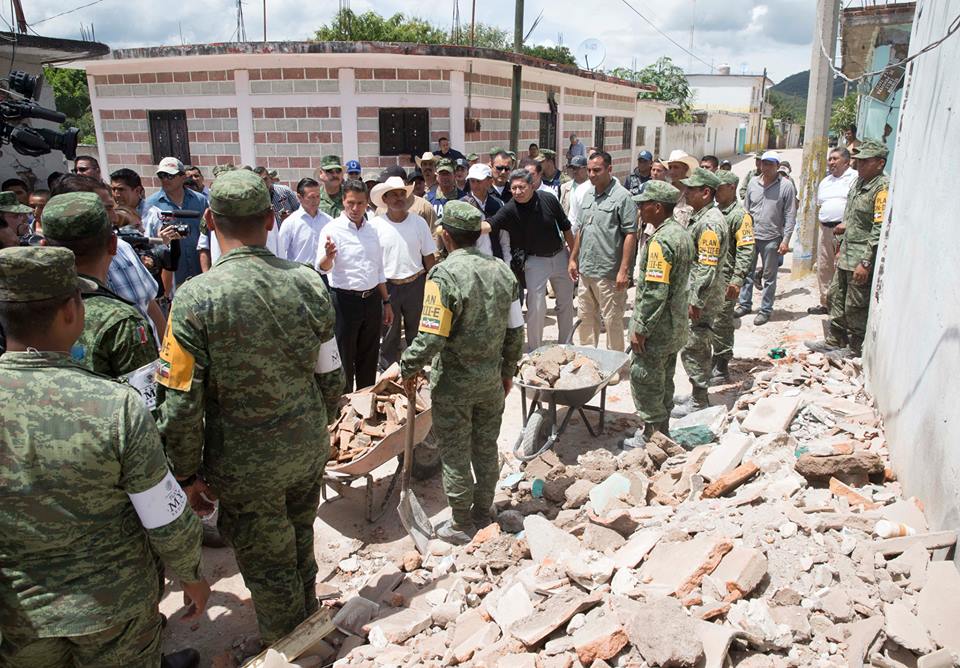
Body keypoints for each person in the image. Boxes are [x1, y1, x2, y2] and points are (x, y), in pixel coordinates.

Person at [157, 169, 344, 647]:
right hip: (304, 447)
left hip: (242, 462)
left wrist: (184, 474)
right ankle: (307, 625)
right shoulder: (307, 282)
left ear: (210, 221)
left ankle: (294, 648)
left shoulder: (195, 297)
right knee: (300, 541)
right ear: (269, 218)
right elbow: (331, 375)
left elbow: (179, 403)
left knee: (267, 561)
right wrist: (316, 426)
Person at [0, 246, 206, 668]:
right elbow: (162, 513)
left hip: (18, 615)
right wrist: (191, 573)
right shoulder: (115, 405)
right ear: (71, 312)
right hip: (114, 609)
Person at [400, 200, 524, 543]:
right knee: (485, 447)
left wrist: (407, 366)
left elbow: (431, 336)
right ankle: (484, 512)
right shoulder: (502, 271)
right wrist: (508, 370)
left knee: (454, 452)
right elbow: (516, 330)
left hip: (454, 383)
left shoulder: (443, 275)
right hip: (490, 381)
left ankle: (460, 523)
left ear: (446, 237)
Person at [39, 192, 157, 377]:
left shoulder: (23, 306)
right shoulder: (120, 322)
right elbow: (146, 400)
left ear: (45, 246)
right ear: (113, 245)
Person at [52, 174, 167, 340]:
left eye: (112, 207)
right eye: (105, 209)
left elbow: (151, 306)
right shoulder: (54, 269)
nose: (114, 217)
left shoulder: (123, 249)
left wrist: (166, 356)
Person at [623, 182, 695, 444]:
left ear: (657, 207)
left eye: (643, 204)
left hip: (657, 328)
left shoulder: (660, 241)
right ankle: (662, 432)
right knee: (665, 378)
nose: (640, 209)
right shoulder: (681, 234)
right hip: (675, 326)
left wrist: (640, 328)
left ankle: (652, 435)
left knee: (646, 379)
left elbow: (654, 291)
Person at [807, 139, 889, 357]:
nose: (859, 165)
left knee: (855, 305)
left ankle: (854, 349)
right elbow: (852, 218)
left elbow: (879, 229)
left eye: (865, 162)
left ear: (880, 163)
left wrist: (866, 262)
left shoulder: (881, 189)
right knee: (835, 296)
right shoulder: (859, 184)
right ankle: (834, 340)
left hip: (861, 257)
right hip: (847, 252)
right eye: (858, 161)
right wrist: (841, 245)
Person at [318, 180, 394, 391]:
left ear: (366, 203)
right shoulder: (331, 229)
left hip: (371, 301)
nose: (355, 208)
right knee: (344, 357)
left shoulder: (372, 230)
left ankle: (365, 404)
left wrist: (386, 301)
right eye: (351, 203)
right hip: (344, 301)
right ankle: (344, 409)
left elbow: (378, 270)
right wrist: (328, 256)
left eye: (360, 203)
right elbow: (323, 268)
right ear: (343, 200)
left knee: (369, 358)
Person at [491, 169, 575, 350]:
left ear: (532, 186)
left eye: (521, 187)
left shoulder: (548, 199)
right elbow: (490, 224)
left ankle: (566, 346)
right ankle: (535, 350)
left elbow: (566, 228)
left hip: (560, 256)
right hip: (535, 261)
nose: (517, 192)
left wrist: (573, 258)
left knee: (566, 303)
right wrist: (465, 226)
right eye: (513, 188)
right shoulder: (510, 209)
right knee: (536, 306)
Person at [568, 151, 637, 367]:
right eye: (589, 170)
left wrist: (624, 270)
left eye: (596, 170)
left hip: (609, 272)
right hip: (587, 270)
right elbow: (580, 230)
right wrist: (573, 259)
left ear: (609, 169)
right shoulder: (587, 195)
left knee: (612, 320)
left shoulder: (622, 197)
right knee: (586, 318)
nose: (591, 174)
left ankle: (613, 365)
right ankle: (588, 362)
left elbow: (630, 234)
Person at [672, 168, 730, 416]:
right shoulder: (703, 216)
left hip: (702, 297)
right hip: (698, 294)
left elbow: (706, 266)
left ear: (706, 192)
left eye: (691, 189)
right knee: (695, 344)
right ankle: (698, 393)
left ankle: (699, 401)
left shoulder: (710, 223)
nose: (686, 192)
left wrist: (695, 299)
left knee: (695, 346)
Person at [370, 177, 437, 368]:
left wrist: (432, 287)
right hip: (388, 287)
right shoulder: (375, 226)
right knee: (389, 334)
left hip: (416, 284)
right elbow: (373, 261)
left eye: (402, 194)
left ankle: (417, 372)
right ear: (385, 199)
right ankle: (389, 373)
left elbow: (429, 257)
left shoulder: (419, 223)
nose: (399, 198)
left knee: (416, 332)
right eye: (394, 195)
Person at [734, 150, 798, 325]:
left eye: (771, 164)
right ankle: (745, 304)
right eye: (764, 163)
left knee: (769, 276)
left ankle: (765, 309)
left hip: (772, 238)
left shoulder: (786, 186)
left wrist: (785, 240)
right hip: (751, 236)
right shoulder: (753, 183)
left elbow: (790, 215)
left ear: (778, 167)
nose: (767, 167)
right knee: (746, 272)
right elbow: (746, 210)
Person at [710, 170, 755, 384]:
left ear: (732, 187)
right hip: (712, 278)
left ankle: (721, 367)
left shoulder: (740, 216)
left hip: (727, 280)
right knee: (710, 324)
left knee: (722, 324)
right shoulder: (716, 212)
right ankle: (713, 361)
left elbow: (746, 250)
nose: (716, 192)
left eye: (720, 187)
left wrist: (738, 278)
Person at [809, 147, 857, 315]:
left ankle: (842, 307)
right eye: (830, 159)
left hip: (844, 231)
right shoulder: (826, 181)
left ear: (846, 161)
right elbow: (820, 204)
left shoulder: (854, 179)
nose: (831, 162)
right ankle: (826, 303)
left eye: (835, 159)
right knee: (824, 266)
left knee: (842, 268)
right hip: (825, 228)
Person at [145, 157, 207, 284]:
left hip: (199, 273)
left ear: (183, 176)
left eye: (170, 176)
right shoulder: (151, 205)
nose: (165, 179)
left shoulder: (200, 201)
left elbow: (208, 234)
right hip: (171, 279)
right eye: (161, 176)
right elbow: (147, 243)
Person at [277, 177, 332, 265]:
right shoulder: (290, 223)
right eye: (311, 197)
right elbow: (280, 252)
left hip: (324, 274)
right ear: (299, 197)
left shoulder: (328, 221)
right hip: (300, 275)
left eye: (318, 196)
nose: (315, 201)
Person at [461, 163, 509, 260]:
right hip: (471, 262)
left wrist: (507, 262)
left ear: (489, 181)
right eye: (472, 181)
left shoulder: (499, 205)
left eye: (479, 181)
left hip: (495, 261)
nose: (475, 185)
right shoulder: (461, 205)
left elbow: (504, 238)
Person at [666, 149, 699, 227]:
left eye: (676, 167)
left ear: (686, 169)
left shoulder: (694, 193)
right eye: (670, 167)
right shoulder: (664, 192)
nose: (672, 172)